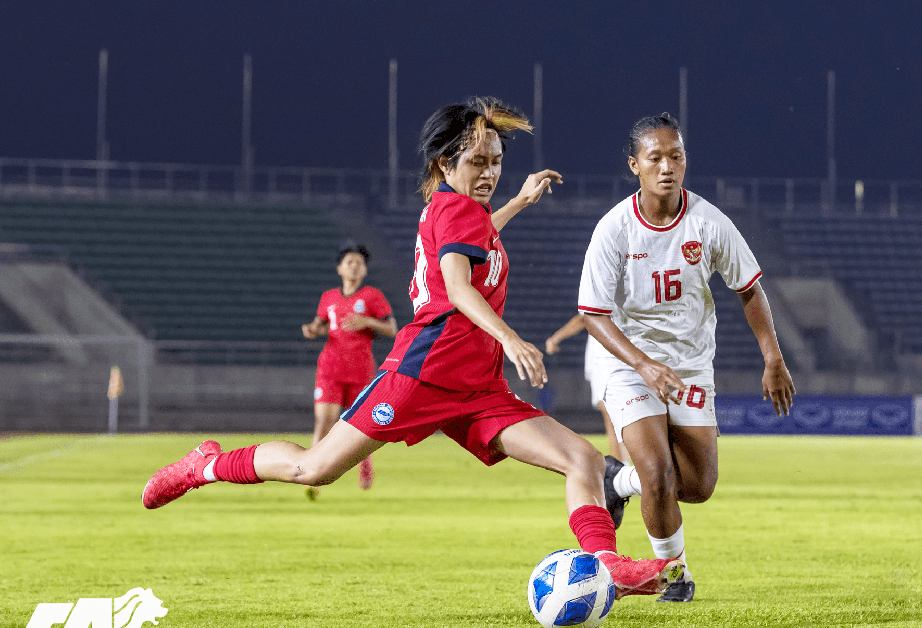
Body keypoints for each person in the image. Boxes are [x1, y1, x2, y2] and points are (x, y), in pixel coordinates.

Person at [142, 97, 685, 598]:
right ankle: (207, 464)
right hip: (423, 374)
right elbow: (457, 286)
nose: (490, 171)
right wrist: (512, 338)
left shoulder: (462, 212)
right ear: (445, 166)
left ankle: (605, 564)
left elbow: (478, 242)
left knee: (582, 459)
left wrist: (518, 200)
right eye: (477, 161)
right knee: (314, 469)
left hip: (475, 386)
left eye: (495, 160)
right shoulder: (454, 211)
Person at [578, 112, 795, 603]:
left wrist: (773, 358)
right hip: (631, 366)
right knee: (658, 472)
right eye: (655, 157)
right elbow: (593, 314)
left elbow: (750, 290)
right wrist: (642, 365)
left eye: (675, 156)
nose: (667, 166)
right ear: (635, 164)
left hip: (691, 366)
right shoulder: (614, 229)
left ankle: (618, 482)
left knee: (697, 486)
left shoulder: (708, 222)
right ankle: (676, 575)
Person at [301, 243, 397, 495]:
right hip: (330, 369)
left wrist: (367, 321)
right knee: (324, 421)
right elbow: (321, 325)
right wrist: (312, 330)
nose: (355, 266)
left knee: (360, 426)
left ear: (364, 270)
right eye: (350, 262)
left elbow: (392, 328)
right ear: (340, 268)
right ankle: (312, 475)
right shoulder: (328, 298)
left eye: (359, 263)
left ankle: (365, 465)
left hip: (360, 371)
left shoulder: (372, 297)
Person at [545, 315, 632, 527]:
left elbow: (584, 317)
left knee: (611, 413)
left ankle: (622, 472)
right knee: (614, 413)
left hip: (608, 353)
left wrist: (555, 338)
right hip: (615, 349)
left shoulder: (603, 287)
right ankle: (623, 469)